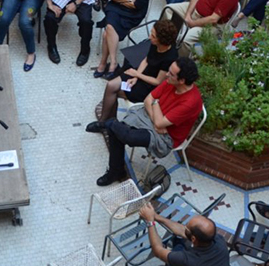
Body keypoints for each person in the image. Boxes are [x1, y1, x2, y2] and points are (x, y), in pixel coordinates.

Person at [86, 57, 202, 186]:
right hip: (150, 117)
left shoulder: (190, 102)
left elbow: (156, 114)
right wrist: (155, 114)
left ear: (182, 81)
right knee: (117, 132)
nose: (167, 75)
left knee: (123, 133)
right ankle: (116, 171)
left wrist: (156, 103)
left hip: (165, 136)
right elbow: (148, 100)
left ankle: (109, 125)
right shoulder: (171, 81)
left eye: (171, 74)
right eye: (169, 71)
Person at [96, 19, 178, 123]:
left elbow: (158, 81)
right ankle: (106, 121)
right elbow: (146, 60)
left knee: (113, 92)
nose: (149, 37)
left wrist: (137, 75)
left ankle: (105, 122)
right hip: (141, 74)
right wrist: (135, 77)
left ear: (162, 40)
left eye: (153, 36)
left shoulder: (170, 57)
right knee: (111, 85)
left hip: (148, 87)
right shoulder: (155, 44)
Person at [138, 204, 229, 266]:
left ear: (193, 239)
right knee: (179, 240)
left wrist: (150, 221)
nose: (184, 226)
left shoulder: (187, 260)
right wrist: (156, 216)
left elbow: (157, 251)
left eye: (187, 227)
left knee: (177, 246)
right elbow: (182, 230)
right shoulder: (218, 240)